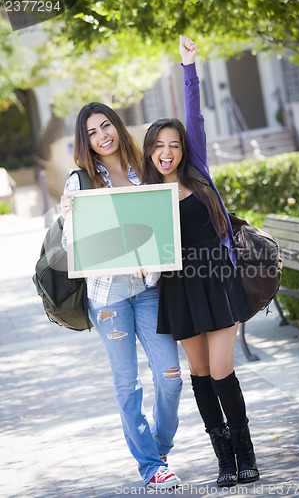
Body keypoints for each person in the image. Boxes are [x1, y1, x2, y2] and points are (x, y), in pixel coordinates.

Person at [141, 35, 260, 488]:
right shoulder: (148, 194)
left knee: (222, 371)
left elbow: (195, 115)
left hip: (217, 279)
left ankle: (246, 451)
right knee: (200, 375)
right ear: (150, 151)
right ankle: (224, 458)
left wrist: (188, 68)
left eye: (173, 143)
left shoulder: (197, 170)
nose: (167, 151)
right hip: (179, 288)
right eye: (159, 146)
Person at [60, 103, 182, 490]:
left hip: (146, 292)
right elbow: (73, 245)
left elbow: (159, 233)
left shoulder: (143, 172)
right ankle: (150, 467)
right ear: (86, 141)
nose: (102, 136)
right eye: (92, 132)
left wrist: (153, 261)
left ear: (118, 127)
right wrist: (67, 217)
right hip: (108, 298)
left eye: (106, 126)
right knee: (128, 383)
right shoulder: (79, 181)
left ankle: (158, 448)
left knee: (172, 378)